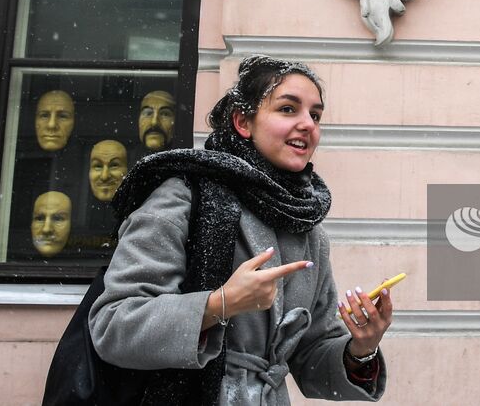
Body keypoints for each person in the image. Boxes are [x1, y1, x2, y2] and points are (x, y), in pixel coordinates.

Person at [90, 55, 389, 404]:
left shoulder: (308, 229)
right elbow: (113, 326)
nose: (308, 124)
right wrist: (221, 303)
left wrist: (360, 350)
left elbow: (310, 358)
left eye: (316, 115)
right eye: (288, 109)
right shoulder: (185, 196)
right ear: (243, 121)